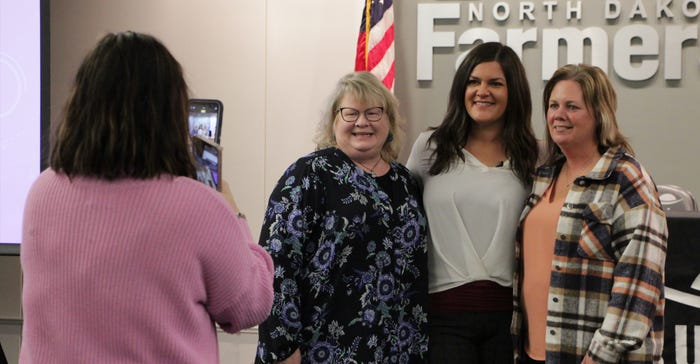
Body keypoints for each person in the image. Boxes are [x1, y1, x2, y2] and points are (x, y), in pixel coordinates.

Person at [20, 31, 274, 363]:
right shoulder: (200, 205)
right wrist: (233, 213)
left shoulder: (43, 191)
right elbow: (249, 306)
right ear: (171, 114)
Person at [255, 71, 429, 363]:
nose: (362, 122)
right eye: (350, 113)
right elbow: (276, 265)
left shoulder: (406, 182)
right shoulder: (308, 176)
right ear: (333, 121)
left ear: (389, 122)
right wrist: (282, 348)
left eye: (374, 112)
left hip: (398, 350)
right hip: (320, 349)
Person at [511, 64, 667, 364]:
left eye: (572, 107)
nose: (559, 115)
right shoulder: (544, 176)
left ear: (599, 114)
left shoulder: (626, 179)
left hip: (595, 358)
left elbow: (639, 284)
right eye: (553, 105)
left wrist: (599, 356)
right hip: (535, 353)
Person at [406, 42, 538, 363]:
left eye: (496, 83)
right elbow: (403, 222)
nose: (482, 91)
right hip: (442, 319)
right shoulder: (430, 146)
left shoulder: (535, 155)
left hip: (510, 321)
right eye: (473, 81)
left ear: (514, 92)